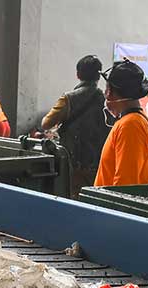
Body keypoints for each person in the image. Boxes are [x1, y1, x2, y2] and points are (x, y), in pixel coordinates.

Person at [40, 55, 111, 197]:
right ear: (99, 76)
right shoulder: (107, 100)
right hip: (100, 162)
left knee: (75, 198)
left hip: (75, 162)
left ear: (78, 74)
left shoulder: (69, 98)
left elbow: (46, 123)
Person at [94, 59, 148, 186]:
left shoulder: (130, 126)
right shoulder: (140, 120)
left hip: (112, 205)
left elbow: (125, 185)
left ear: (110, 92)